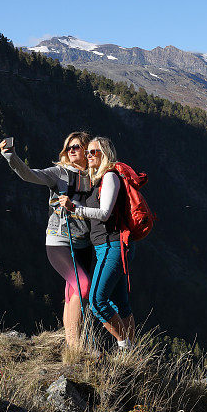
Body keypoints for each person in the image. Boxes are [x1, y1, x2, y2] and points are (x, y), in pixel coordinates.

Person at [0, 131, 94, 348]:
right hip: (59, 241)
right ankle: (76, 346)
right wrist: (10, 156)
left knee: (74, 291)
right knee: (83, 286)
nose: (71, 150)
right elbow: (29, 174)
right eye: (69, 147)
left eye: (76, 147)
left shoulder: (94, 175)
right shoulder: (58, 173)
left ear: (86, 150)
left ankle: (72, 347)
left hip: (85, 244)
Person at [59, 136, 135, 350]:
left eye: (95, 152)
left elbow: (104, 213)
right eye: (89, 151)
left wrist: (75, 209)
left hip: (114, 246)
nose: (89, 155)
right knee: (121, 304)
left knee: (96, 301)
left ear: (105, 155)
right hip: (106, 247)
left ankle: (125, 346)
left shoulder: (109, 177)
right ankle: (133, 353)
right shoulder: (97, 180)